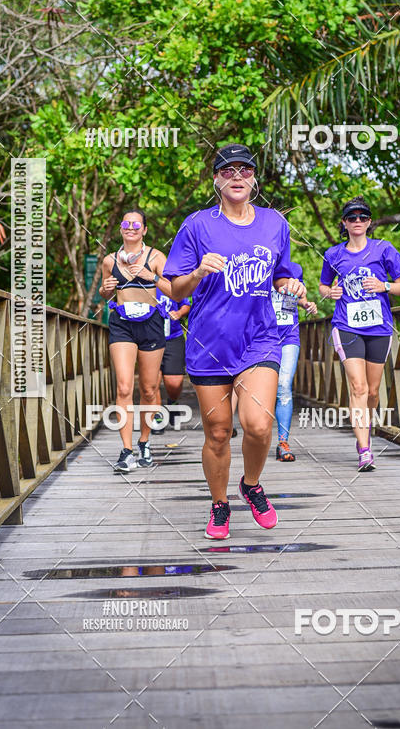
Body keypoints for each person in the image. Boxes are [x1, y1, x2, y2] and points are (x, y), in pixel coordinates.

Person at [163, 143, 306, 540]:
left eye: (245, 170)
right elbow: (175, 290)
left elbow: (281, 273)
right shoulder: (196, 226)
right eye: (228, 171)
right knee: (219, 433)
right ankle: (220, 504)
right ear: (216, 179)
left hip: (259, 339)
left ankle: (252, 484)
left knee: (258, 425)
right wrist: (196, 275)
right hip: (210, 344)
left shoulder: (275, 224)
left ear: (254, 179)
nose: (237, 177)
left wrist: (290, 282)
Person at [319, 195, 400, 471]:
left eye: (362, 217)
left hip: (378, 327)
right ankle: (365, 449)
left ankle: (364, 433)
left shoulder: (384, 249)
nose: (357, 221)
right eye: (351, 217)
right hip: (347, 326)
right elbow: (323, 286)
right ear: (344, 223)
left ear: (369, 222)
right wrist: (330, 292)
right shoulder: (334, 254)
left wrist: (384, 286)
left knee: (372, 391)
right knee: (357, 386)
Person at [99, 209, 173, 473]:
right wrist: (105, 291)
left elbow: (173, 289)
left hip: (151, 324)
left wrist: (149, 276)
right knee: (123, 387)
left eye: (136, 224)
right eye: (126, 223)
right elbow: (105, 295)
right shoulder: (109, 260)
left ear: (144, 230)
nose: (130, 227)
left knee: (150, 389)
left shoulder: (156, 256)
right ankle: (126, 450)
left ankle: (144, 442)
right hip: (121, 325)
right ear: (121, 228)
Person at [270, 260, 318, 461]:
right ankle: (257, 437)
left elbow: (300, 297)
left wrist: (306, 304)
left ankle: (283, 442)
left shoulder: (294, 268)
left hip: (288, 334)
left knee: (283, 386)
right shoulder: (252, 262)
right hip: (260, 335)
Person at [152, 289, 191, 432]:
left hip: (173, 337)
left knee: (174, 383)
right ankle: (157, 416)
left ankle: (172, 402)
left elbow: (186, 304)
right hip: (150, 338)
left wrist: (179, 313)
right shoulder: (143, 282)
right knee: (152, 381)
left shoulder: (172, 281)